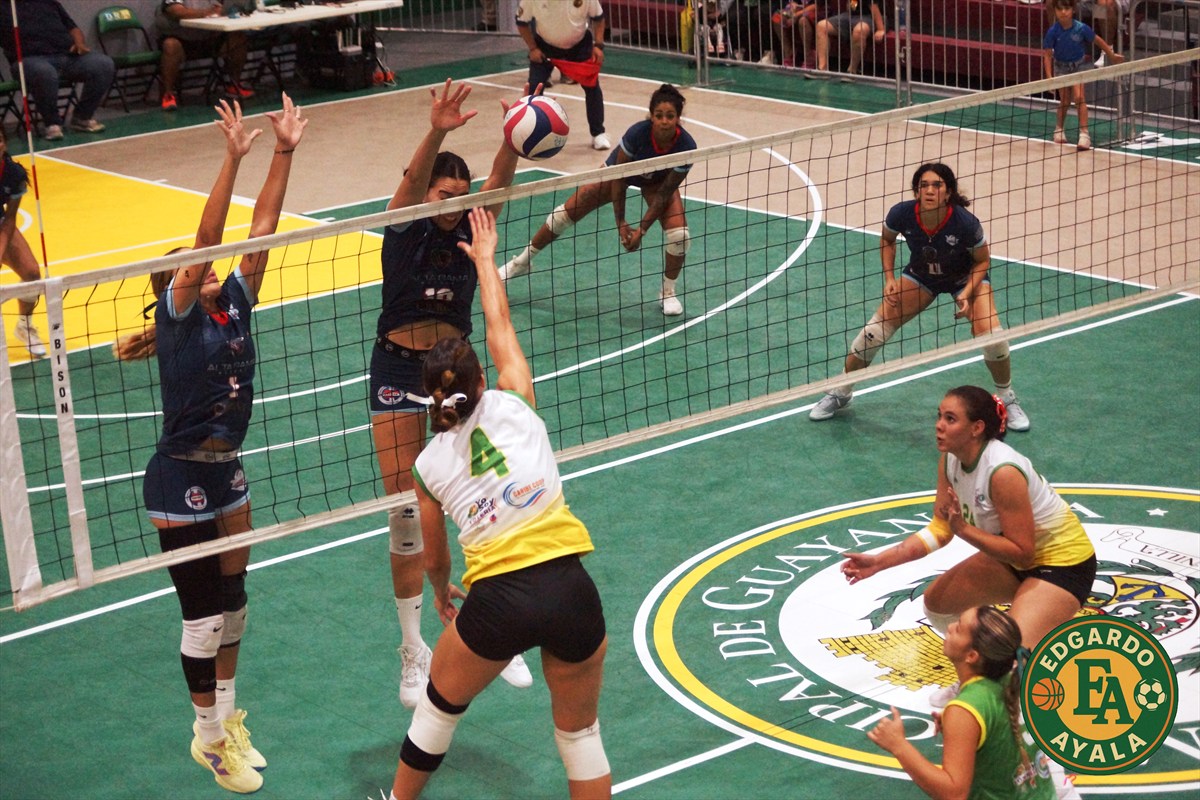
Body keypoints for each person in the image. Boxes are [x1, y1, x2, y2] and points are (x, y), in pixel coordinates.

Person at [114, 94, 307, 794]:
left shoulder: (235, 305)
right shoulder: (179, 319)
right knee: (202, 620)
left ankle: (226, 717)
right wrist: (231, 159)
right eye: (193, 270)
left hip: (227, 473)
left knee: (236, 601)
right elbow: (209, 237)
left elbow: (263, 228)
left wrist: (283, 152)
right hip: (178, 478)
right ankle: (207, 741)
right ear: (177, 285)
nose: (206, 269)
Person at [391, 207, 611, 800]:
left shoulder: (427, 466)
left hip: (500, 602)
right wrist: (486, 261)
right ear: (481, 382)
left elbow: (435, 556)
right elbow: (499, 324)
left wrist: (441, 593)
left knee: (437, 711)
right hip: (572, 591)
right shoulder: (516, 401)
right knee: (581, 737)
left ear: (430, 398)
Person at [371, 78, 531, 710]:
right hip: (395, 369)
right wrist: (436, 130)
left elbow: (501, 183)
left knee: (485, 494)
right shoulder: (405, 224)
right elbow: (413, 180)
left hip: (454, 371)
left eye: (461, 195)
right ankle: (413, 649)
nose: (454, 203)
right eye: (445, 193)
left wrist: (513, 138)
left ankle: (497, 630)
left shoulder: (472, 225)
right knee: (407, 511)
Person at [841, 385, 1096, 708]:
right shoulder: (950, 460)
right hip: (1012, 561)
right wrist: (880, 562)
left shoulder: (1003, 472)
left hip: (1062, 566)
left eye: (950, 419)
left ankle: (1018, 680)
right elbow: (939, 529)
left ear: (976, 428)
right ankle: (978, 676)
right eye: (939, 416)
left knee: (1011, 658)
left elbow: (1023, 553)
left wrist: (963, 529)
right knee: (938, 604)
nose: (939, 425)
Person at [810, 163, 1031, 429]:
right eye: (923, 185)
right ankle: (841, 391)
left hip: (964, 278)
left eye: (937, 185)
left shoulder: (965, 223)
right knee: (873, 333)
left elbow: (982, 260)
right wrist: (889, 278)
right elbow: (887, 240)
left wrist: (967, 293)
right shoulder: (902, 213)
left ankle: (1006, 398)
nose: (929, 191)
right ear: (916, 191)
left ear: (948, 192)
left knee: (992, 336)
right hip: (922, 275)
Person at [500, 83, 697, 317]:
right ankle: (521, 262)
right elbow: (619, 178)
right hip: (619, 174)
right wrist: (621, 223)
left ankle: (668, 291)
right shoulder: (637, 134)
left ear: (678, 118)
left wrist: (642, 231)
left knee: (679, 235)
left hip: (658, 183)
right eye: (659, 115)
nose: (664, 121)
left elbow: (664, 194)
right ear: (651, 116)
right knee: (564, 214)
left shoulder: (687, 146)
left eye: (670, 116)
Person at [867, 605, 1056, 800]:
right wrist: (965, 730)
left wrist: (898, 745)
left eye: (958, 628)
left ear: (972, 655)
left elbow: (953, 793)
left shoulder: (965, 709)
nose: (949, 627)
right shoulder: (1011, 681)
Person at [0, 0, 114, 141]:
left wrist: (79, 43)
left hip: (66, 55)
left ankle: (82, 117)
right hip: (29, 60)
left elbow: (73, 28)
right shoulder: (4, 6)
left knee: (103, 64)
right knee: (45, 72)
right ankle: (52, 123)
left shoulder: (50, 3)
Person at [516, 0, 611, 151]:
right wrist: (533, 48)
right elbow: (521, 22)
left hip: (580, 46)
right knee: (534, 87)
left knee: (592, 87)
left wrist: (599, 45)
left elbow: (598, 18)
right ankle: (532, 134)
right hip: (544, 46)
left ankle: (598, 133)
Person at [1043, 0, 1123, 152]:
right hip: (1061, 67)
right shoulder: (1053, 31)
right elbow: (1047, 55)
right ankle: (1059, 129)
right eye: (1059, 9)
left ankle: (1084, 134)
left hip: (1078, 67)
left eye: (1067, 8)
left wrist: (1111, 55)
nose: (1063, 12)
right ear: (1055, 11)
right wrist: (1049, 77)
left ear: (1073, 10)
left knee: (1080, 98)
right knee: (1065, 100)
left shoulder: (1081, 28)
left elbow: (1098, 40)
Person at [156, 0, 255, 112]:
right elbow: (177, 12)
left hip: (208, 37)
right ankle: (168, 94)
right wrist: (207, 12)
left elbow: (222, 7)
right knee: (170, 45)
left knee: (238, 37)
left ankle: (233, 85)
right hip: (181, 39)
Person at [1, 130, 46, 358]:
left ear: (5, 143)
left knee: (31, 273)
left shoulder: (13, 173)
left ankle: (24, 326)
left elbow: (10, 219)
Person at [813, 0, 884, 78]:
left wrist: (880, 29)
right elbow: (851, 8)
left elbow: (874, 8)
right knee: (821, 26)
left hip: (871, 16)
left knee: (859, 30)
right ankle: (822, 69)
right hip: (851, 16)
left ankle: (852, 71)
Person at [773, 2, 826, 69]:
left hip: (817, 10)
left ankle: (809, 57)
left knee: (803, 21)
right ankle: (789, 53)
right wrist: (792, 5)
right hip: (799, 10)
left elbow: (817, 5)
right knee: (777, 17)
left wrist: (796, 15)